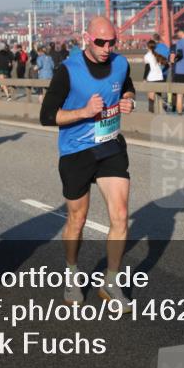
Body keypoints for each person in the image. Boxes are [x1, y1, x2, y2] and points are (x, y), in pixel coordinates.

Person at [39, 16, 136, 305]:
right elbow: (46, 116)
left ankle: (111, 282)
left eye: (112, 42)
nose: (107, 48)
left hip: (110, 147)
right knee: (77, 219)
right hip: (76, 152)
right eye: (100, 42)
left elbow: (127, 85)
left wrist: (129, 99)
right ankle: (71, 273)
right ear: (86, 37)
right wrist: (83, 112)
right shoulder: (68, 70)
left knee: (120, 215)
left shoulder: (120, 64)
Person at [142, 39, 166, 112]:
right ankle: (160, 111)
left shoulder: (147, 56)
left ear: (148, 47)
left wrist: (144, 78)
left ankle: (151, 112)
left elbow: (147, 67)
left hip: (152, 78)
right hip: (160, 78)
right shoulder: (157, 55)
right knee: (159, 96)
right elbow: (166, 64)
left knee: (151, 97)